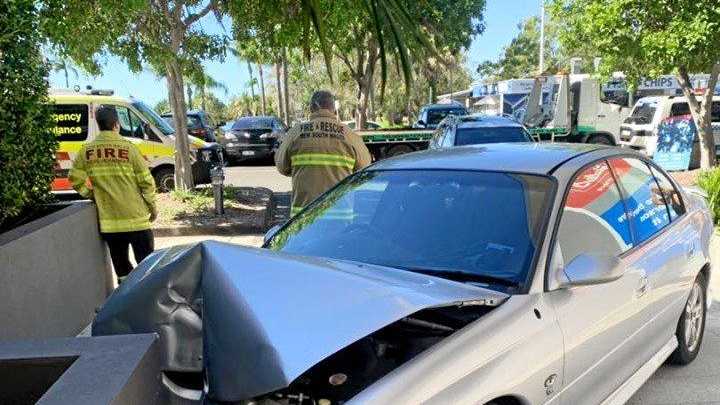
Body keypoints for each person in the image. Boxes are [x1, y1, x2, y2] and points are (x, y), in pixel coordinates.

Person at [69, 106, 158, 279]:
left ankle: (127, 302)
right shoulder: (129, 149)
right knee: (149, 269)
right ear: (116, 124)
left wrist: (91, 194)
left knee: (122, 269)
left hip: (110, 224)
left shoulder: (86, 151)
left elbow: (74, 178)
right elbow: (146, 182)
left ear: (99, 124)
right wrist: (152, 207)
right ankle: (148, 302)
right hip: (137, 220)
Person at [276, 90, 372, 216]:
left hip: (303, 218)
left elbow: (282, 166)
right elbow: (365, 167)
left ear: (311, 108)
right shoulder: (349, 134)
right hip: (340, 216)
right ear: (333, 108)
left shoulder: (296, 133)